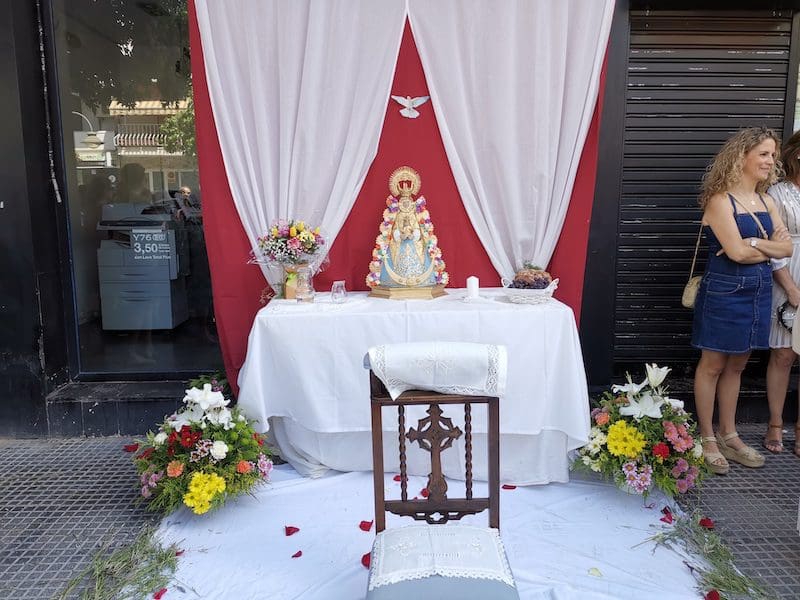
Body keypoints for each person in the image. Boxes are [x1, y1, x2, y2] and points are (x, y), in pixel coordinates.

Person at [692, 127, 792, 475]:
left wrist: (753, 244)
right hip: (725, 291)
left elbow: (787, 249)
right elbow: (734, 253)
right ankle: (707, 438)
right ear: (741, 157)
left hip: (759, 290)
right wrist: (763, 247)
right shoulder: (720, 200)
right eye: (763, 154)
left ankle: (729, 435)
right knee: (712, 365)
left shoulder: (767, 201)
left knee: (737, 365)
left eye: (772, 155)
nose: (770, 161)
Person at [764, 130, 800, 456]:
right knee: (784, 354)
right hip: (787, 271)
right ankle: (775, 423)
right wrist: (790, 287)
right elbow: (772, 245)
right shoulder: (777, 192)